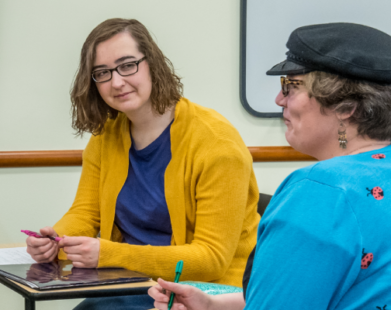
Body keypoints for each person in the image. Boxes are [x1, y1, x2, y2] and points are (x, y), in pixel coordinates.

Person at [150, 22, 391, 310]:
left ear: (345, 106)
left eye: (290, 86)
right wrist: (214, 305)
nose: (279, 99)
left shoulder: (322, 191)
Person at [25, 18, 259, 309]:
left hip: (209, 295)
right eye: (102, 73)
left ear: (153, 63)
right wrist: (53, 241)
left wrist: (109, 254)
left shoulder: (217, 143)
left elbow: (211, 259)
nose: (117, 82)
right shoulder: (106, 136)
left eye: (127, 65)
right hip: (135, 284)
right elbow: (85, 214)